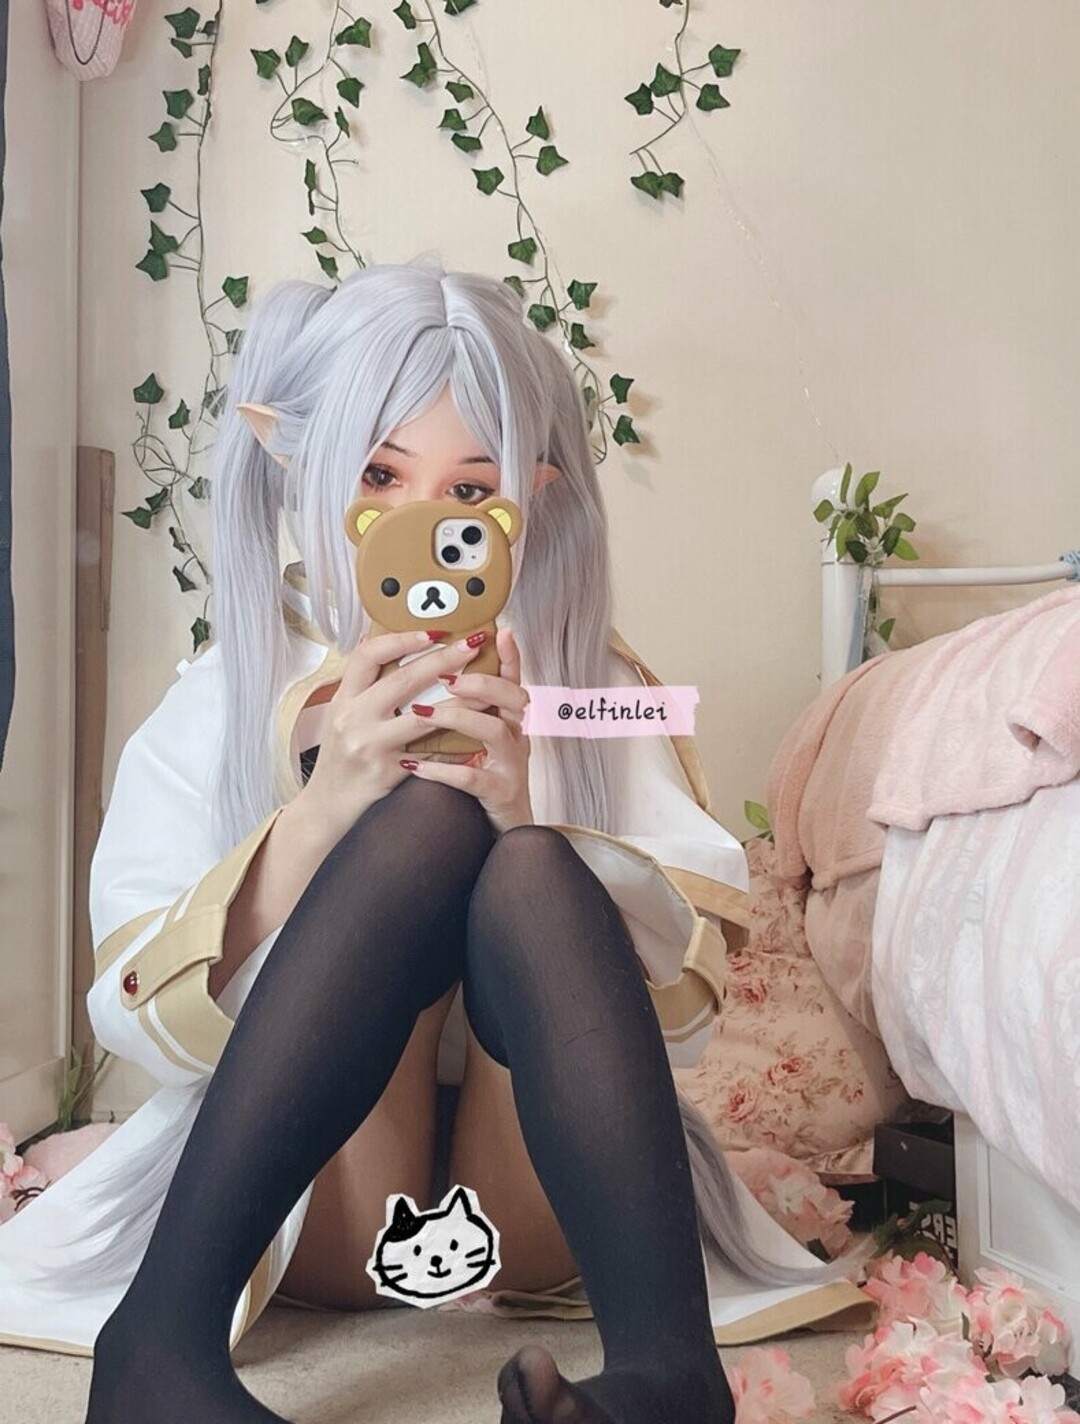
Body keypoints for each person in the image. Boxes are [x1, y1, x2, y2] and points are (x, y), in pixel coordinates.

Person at [0, 260, 840, 1422]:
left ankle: (668, 1376)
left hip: (525, 1206)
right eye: (382, 475)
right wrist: (323, 813)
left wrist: (533, 814)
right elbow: (135, 1013)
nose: (425, 522)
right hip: (328, 1204)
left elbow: (689, 1017)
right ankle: (160, 1344)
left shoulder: (589, 685)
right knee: (428, 818)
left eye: (470, 488)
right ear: (305, 466)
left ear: (530, 497)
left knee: (530, 859)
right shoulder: (235, 687)